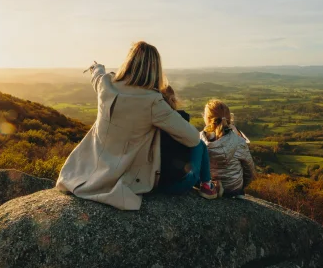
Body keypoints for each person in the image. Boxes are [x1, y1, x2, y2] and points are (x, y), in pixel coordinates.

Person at [56, 41, 201, 210]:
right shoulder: (153, 102)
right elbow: (192, 138)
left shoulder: (106, 85)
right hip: (123, 177)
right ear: (155, 70)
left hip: (85, 170)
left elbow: (97, 77)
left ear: (128, 62)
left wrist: (96, 68)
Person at [158, 86, 221, 199]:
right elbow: (195, 140)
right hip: (178, 185)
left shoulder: (148, 123)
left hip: (153, 183)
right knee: (199, 144)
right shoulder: (179, 121)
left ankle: (202, 182)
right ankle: (207, 184)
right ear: (173, 100)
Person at [201, 99, 256, 198]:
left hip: (207, 186)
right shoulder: (239, 141)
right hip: (234, 188)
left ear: (207, 119)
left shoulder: (199, 139)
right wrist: (242, 185)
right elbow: (250, 170)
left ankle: (213, 186)